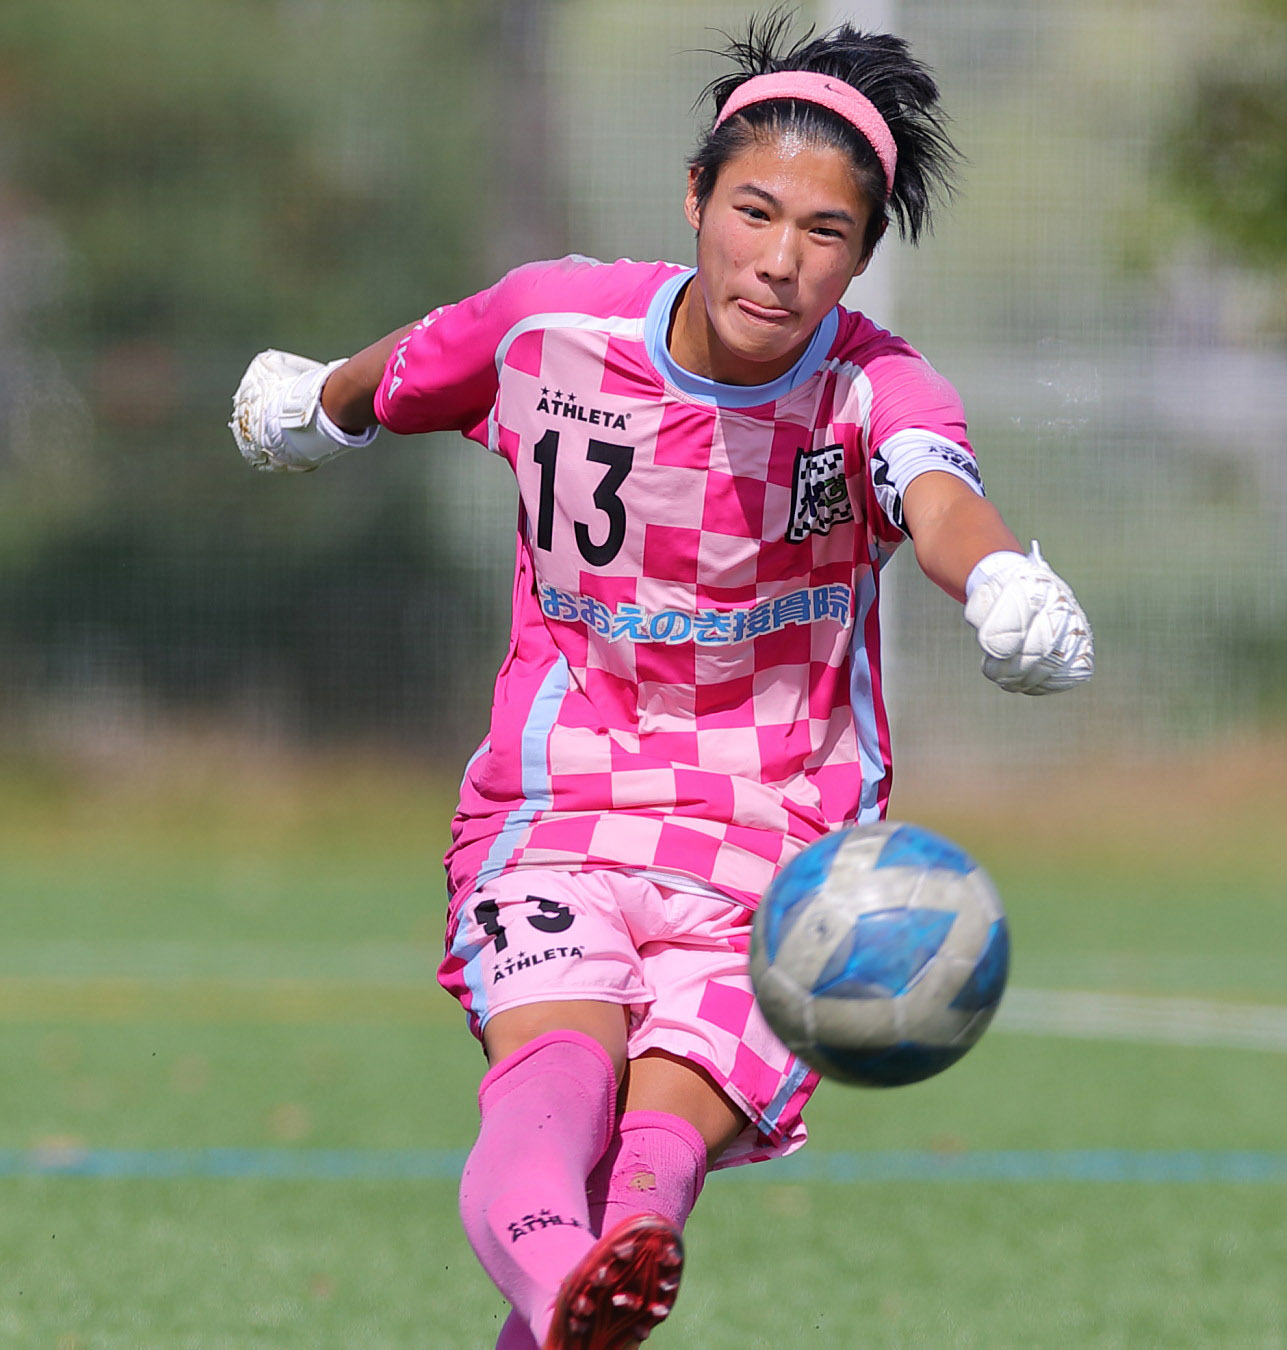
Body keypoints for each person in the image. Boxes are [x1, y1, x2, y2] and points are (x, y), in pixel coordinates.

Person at [229, 15, 1092, 1349]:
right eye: (755, 211)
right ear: (696, 198)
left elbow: (937, 494)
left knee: (653, 1155)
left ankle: (591, 1267)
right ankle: (572, 1274)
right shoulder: (554, 324)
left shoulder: (878, 388)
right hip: (556, 809)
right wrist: (313, 406)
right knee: (553, 1084)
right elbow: (405, 367)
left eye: (827, 233)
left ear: (863, 256)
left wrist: (997, 581)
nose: (781, 259)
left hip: (781, 856)